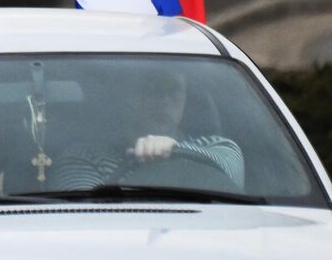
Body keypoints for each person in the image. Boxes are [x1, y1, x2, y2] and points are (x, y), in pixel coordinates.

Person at [46, 69, 244, 191]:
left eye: (173, 90)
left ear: (185, 97)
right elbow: (84, 219)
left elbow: (229, 178)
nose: (164, 101)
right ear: (124, 97)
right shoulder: (83, 158)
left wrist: (174, 151)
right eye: (152, 90)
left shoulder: (220, 148)